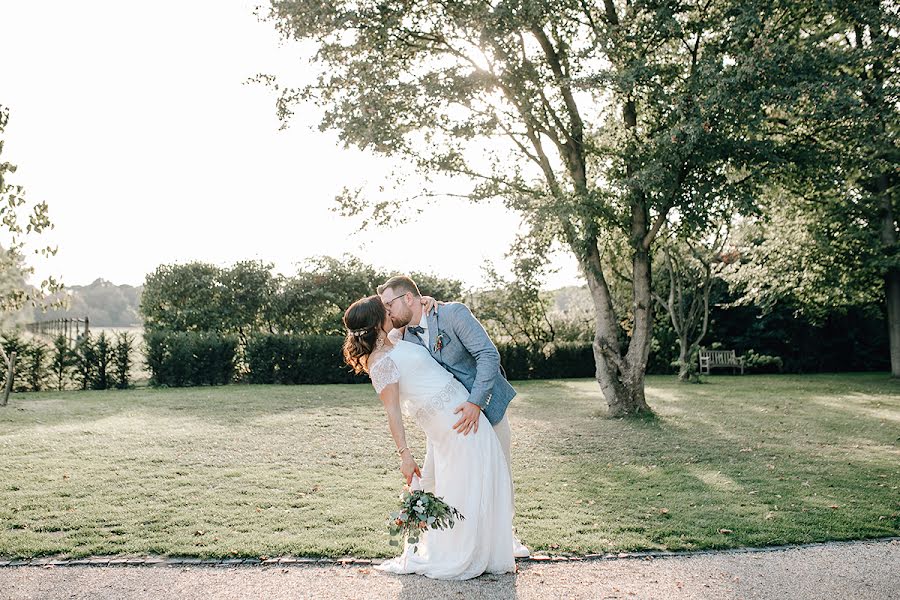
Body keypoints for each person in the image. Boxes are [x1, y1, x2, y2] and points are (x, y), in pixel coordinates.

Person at [343, 295, 514, 580]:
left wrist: (426, 302)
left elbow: (416, 319)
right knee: (462, 482)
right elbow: (393, 413)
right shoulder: (380, 362)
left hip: (466, 413)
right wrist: (405, 456)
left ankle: (485, 550)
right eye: (385, 310)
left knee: (481, 475)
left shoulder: (397, 338)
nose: (390, 311)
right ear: (376, 322)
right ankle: (459, 552)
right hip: (448, 426)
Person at [377, 275, 530, 558]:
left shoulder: (452, 313)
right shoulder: (404, 336)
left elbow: (488, 355)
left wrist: (476, 403)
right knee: (433, 479)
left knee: (499, 472)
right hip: (445, 424)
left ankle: (505, 538)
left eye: (389, 304)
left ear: (408, 298)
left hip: (486, 406)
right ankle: (436, 544)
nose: (387, 311)